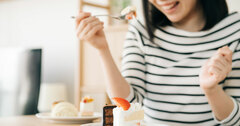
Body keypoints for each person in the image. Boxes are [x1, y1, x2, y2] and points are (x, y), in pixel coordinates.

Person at [75, 0, 240, 125]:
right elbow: (128, 104)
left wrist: (211, 90)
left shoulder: (234, 30)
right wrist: (102, 50)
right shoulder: (141, 30)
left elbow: (235, 120)